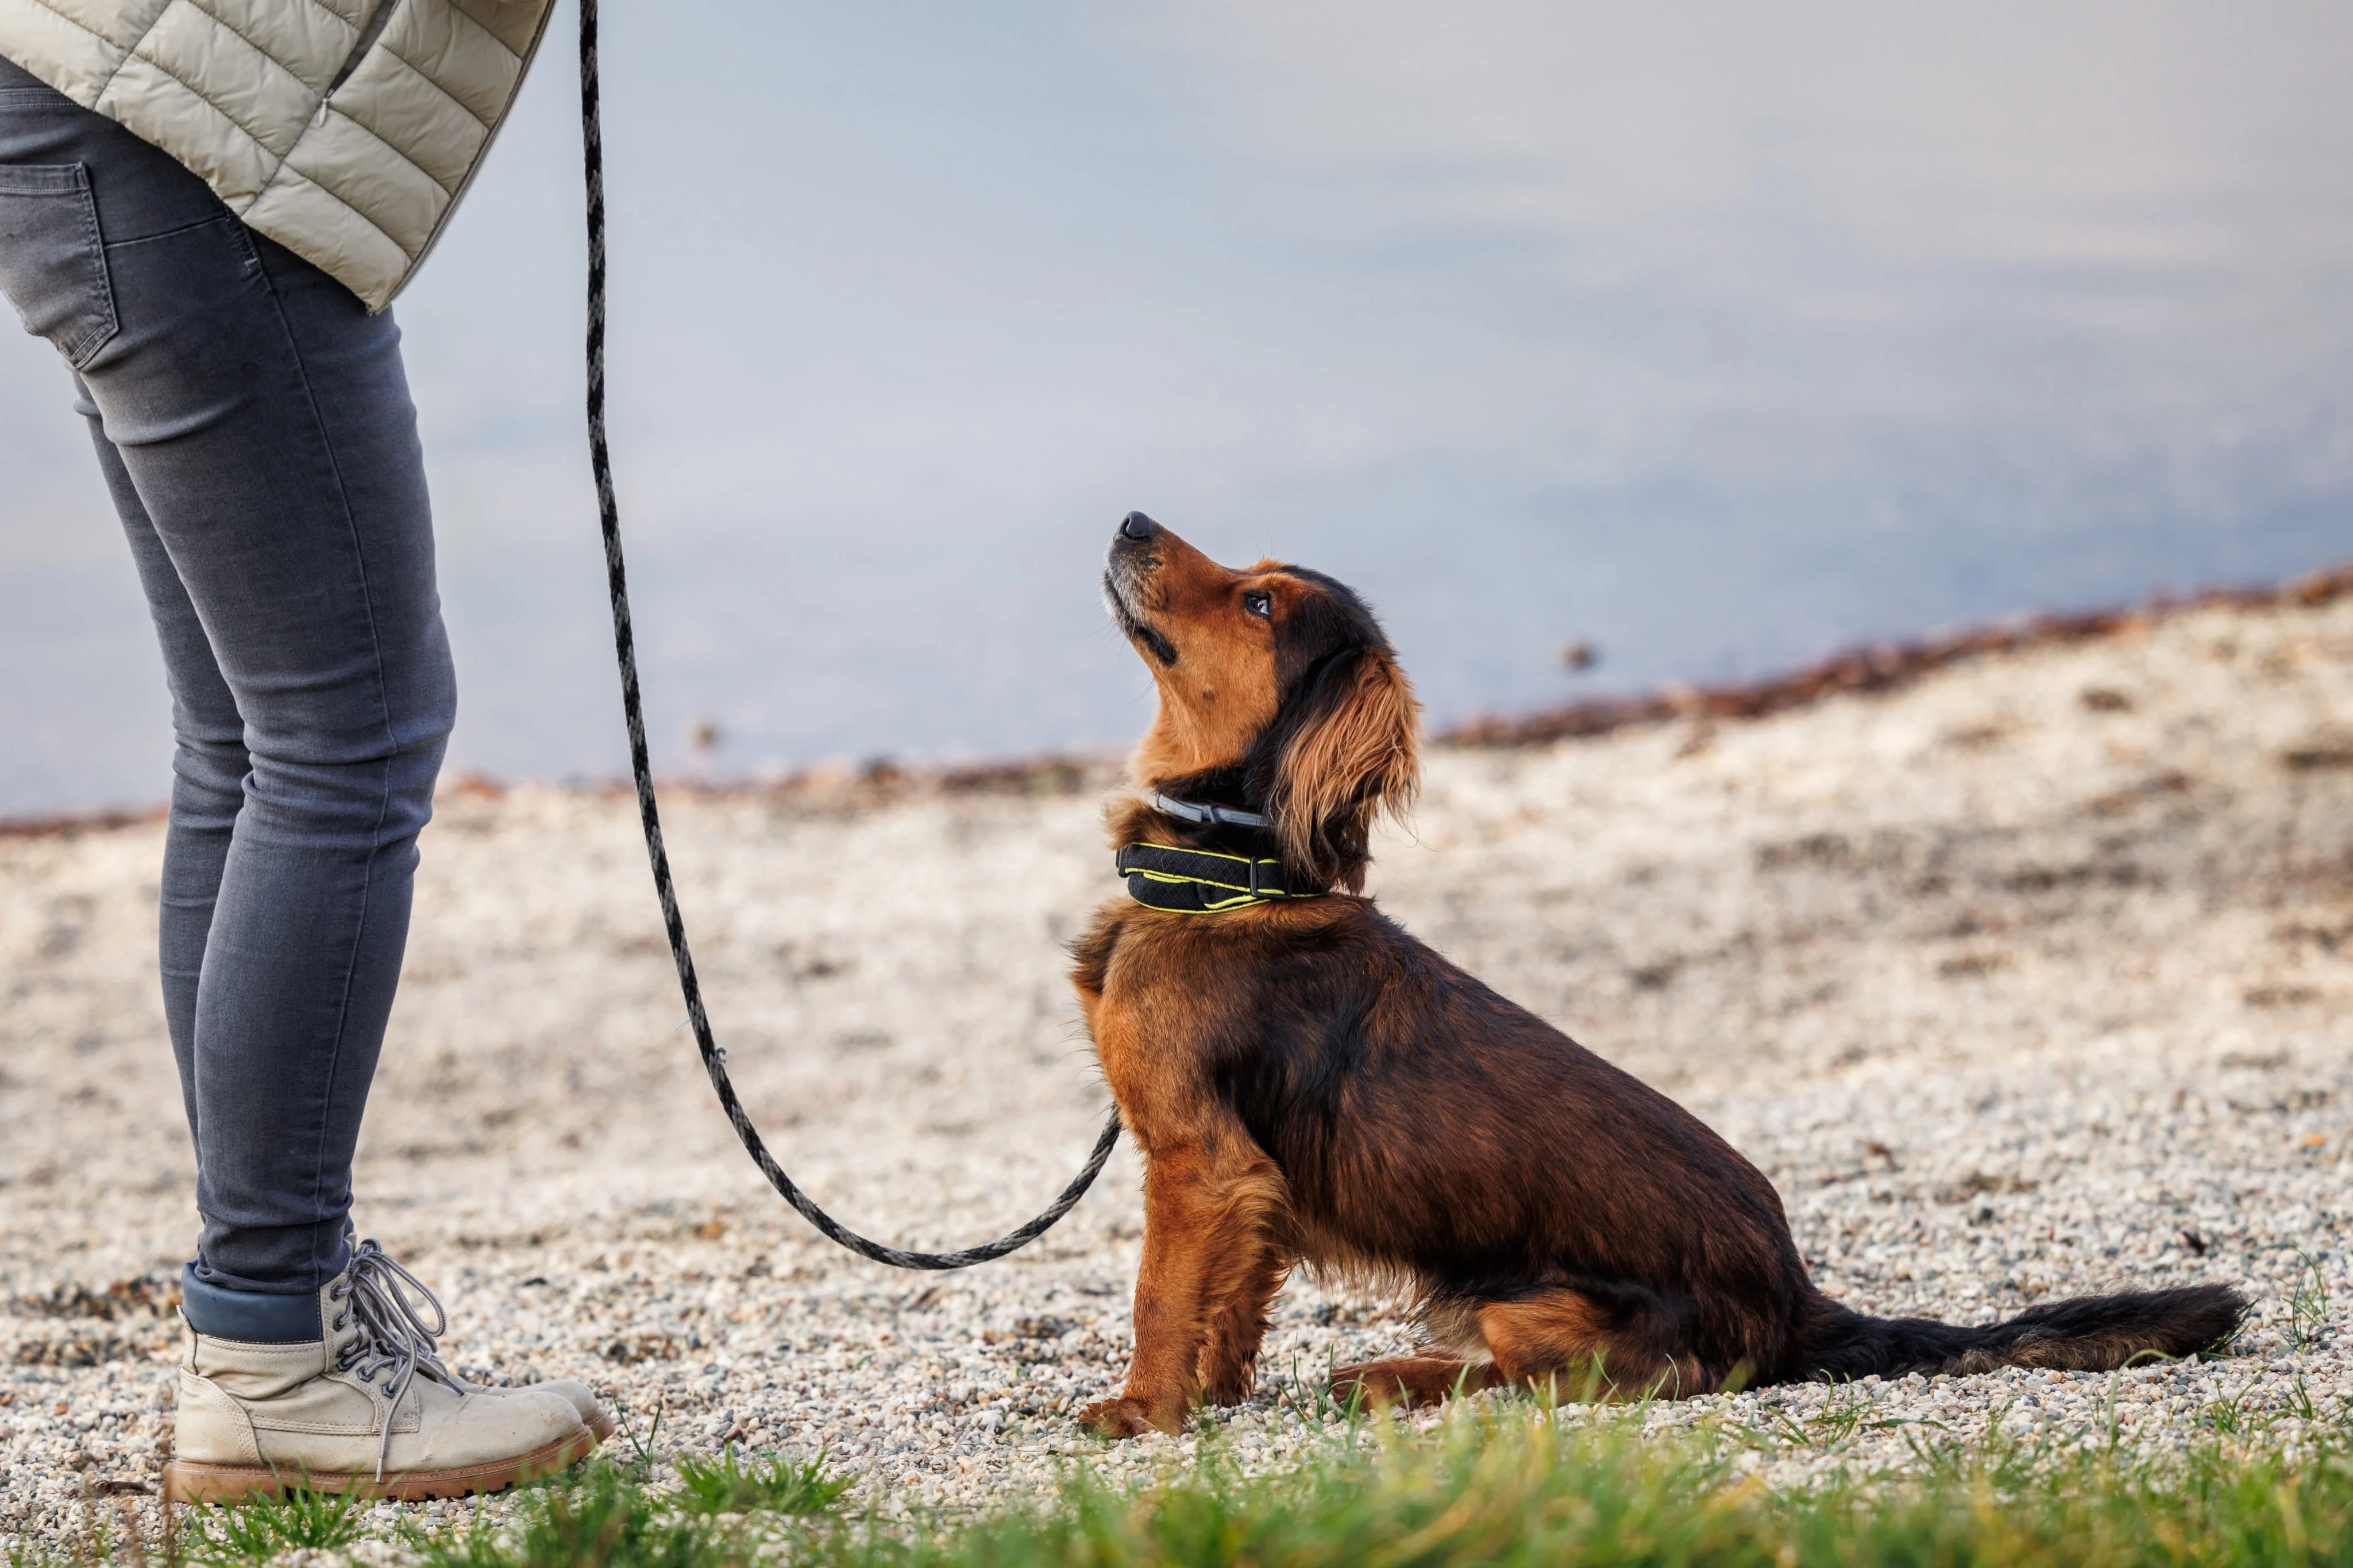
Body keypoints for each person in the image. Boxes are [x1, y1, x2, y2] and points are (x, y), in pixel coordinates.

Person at [0, 2, 609, 1503]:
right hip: (177, 138)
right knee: (344, 740)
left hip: (106, 108)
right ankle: (275, 1359)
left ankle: (277, 1311)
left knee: (249, 737)